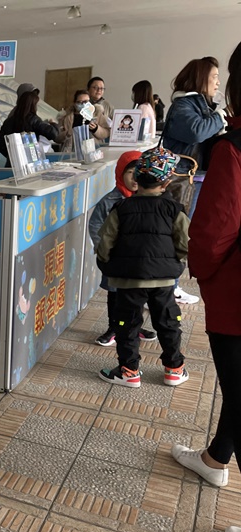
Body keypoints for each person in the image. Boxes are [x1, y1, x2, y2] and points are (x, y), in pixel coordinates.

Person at [172, 40, 241, 532]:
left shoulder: (233, 146)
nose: (217, 88)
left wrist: (200, 271)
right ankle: (217, 459)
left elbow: (214, 231)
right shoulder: (190, 110)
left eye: (225, 81)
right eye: (212, 81)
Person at [96, 147, 190, 388]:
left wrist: (106, 264)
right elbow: (185, 242)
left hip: (129, 279)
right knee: (168, 322)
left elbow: (105, 241)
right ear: (167, 182)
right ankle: (174, 369)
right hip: (163, 280)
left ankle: (129, 372)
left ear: (136, 178)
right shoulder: (174, 210)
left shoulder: (121, 208)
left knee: (127, 324)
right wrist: (174, 264)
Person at [161, 56, 226, 304]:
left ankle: (170, 286)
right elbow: (196, 131)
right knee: (174, 233)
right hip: (180, 181)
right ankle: (165, 288)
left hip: (193, 179)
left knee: (180, 233)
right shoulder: (182, 106)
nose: (218, 83)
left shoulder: (199, 105)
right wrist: (219, 118)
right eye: (214, 77)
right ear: (201, 79)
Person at [88, 150, 157, 347]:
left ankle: (135, 327)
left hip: (138, 259)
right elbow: (95, 225)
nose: (134, 178)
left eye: (139, 172)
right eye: (129, 173)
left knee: (136, 295)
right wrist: (105, 251)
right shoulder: (110, 201)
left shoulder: (147, 200)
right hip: (115, 259)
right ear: (119, 173)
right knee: (115, 294)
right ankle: (114, 328)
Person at [0, 90, 59, 167]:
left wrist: (12, 156)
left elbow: (0, 145)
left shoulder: (9, 121)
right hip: (32, 164)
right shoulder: (34, 120)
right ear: (32, 106)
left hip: (12, 165)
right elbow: (53, 134)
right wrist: (53, 124)